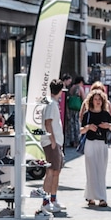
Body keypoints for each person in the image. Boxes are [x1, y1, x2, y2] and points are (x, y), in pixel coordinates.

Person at [81, 86, 111, 208]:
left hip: (102, 144)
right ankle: (91, 196)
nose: (97, 101)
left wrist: (108, 126)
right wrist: (88, 127)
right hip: (90, 143)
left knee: (101, 171)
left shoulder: (105, 114)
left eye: (99, 99)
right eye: (95, 99)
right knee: (91, 170)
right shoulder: (87, 114)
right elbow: (81, 130)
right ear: (91, 100)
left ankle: (102, 198)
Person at [39, 80, 66, 213]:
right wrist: (53, 140)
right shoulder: (51, 104)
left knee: (56, 171)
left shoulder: (51, 103)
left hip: (55, 142)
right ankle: (46, 201)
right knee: (51, 171)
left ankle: (53, 199)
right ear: (60, 90)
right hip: (51, 143)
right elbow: (48, 123)